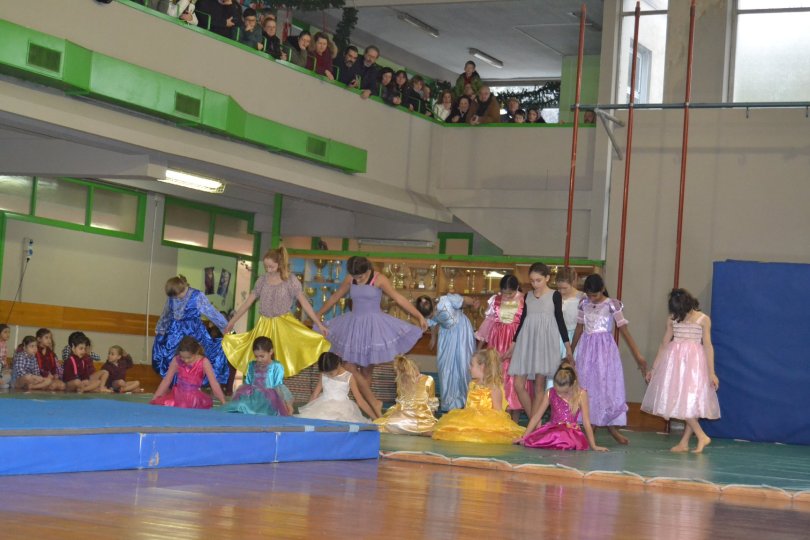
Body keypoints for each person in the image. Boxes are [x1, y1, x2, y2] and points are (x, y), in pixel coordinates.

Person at [317, 256, 427, 387]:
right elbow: (335, 297)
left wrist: (419, 315)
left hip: (373, 328)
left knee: (366, 371)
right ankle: (369, 402)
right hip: (353, 327)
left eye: (361, 277)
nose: (358, 280)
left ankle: (365, 405)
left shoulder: (379, 279)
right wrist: (318, 314)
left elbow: (399, 298)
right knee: (348, 366)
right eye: (355, 276)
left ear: (368, 269)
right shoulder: (350, 279)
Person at [222, 246, 330, 377]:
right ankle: (260, 390)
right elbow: (247, 303)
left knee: (279, 363)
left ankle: (275, 391)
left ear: (279, 265)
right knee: (258, 360)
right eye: (266, 267)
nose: (268, 270)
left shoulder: (290, 280)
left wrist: (318, 323)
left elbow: (305, 303)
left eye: (271, 267)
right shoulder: (262, 280)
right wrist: (232, 321)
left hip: (283, 326)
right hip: (264, 325)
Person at [571, 274, 647, 445]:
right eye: (590, 295)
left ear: (603, 289)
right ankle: (591, 425)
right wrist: (571, 352)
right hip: (587, 350)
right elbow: (578, 328)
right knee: (586, 386)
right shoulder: (584, 304)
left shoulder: (612, 305)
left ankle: (610, 427)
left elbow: (625, 331)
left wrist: (638, 355)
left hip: (605, 352)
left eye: (595, 295)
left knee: (606, 388)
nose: (593, 299)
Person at [642, 289, 720, 453]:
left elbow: (707, 346)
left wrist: (711, 372)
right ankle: (686, 442)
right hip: (675, 365)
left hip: (694, 365)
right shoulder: (672, 319)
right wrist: (654, 369)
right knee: (678, 399)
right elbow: (664, 344)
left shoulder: (703, 319)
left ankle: (700, 436)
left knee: (689, 401)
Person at [507, 262, 572, 416]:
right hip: (526, 343)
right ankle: (535, 425)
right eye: (532, 280)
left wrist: (568, 348)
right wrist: (513, 345)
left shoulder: (554, 295)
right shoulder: (528, 296)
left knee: (539, 387)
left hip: (545, 343)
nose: (535, 284)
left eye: (538, 280)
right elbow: (522, 321)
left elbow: (560, 321)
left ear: (547, 278)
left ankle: (533, 427)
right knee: (518, 384)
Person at [432, 350, 525, 443]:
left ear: (482, 367)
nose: (469, 368)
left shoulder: (493, 388)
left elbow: (499, 412)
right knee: (452, 430)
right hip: (470, 418)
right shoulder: (472, 385)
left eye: (472, 365)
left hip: (487, 423)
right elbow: (467, 406)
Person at [152, 275, 230, 385]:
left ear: (182, 288)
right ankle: (176, 386)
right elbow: (166, 314)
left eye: (179, 295)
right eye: (174, 297)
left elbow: (212, 313)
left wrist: (226, 327)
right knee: (172, 358)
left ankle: (193, 385)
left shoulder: (197, 296)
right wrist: (160, 329)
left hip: (194, 331)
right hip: (175, 333)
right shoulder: (172, 297)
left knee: (198, 356)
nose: (177, 298)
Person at [475, 275, 531, 422]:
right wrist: (481, 343)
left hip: (515, 341)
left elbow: (526, 323)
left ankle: (515, 418)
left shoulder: (524, 300)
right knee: (498, 374)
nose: (506, 296)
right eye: (504, 292)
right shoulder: (495, 300)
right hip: (497, 341)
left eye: (510, 293)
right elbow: (489, 322)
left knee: (513, 377)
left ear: (516, 289)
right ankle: (498, 414)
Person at [518, 363, 607, 451]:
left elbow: (586, 422)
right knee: (544, 438)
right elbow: (537, 416)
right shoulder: (550, 392)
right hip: (553, 430)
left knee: (564, 436)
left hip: (571, 433)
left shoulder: (581, 394)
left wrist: (594, 446)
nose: (559, 394)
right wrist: (524, 437)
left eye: (564, 392)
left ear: (573, 384)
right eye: (557, 391)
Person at [416, 294, 477, 412]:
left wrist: (473, 302)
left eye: (432, 313)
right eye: (429, 316)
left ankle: (467, 400)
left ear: (434, 305)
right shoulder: (428, 313)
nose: (432, 316)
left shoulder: (446, 300)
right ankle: (451, 402)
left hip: (461, 331)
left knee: (463, 366)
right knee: (446, 367)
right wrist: (433, 338)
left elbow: (464, 300)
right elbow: (433, 324)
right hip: (446, 335)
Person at [223, 336, 294, 415]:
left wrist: (287, 406)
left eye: (262, 356)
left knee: (263, 409)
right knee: (240, 405)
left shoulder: (276, 366)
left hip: (269, 399)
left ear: (271, 352)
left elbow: (279, 387)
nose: (259, 359)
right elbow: (248, 383)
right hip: (253, 397)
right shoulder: (252, 365)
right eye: (256, 356)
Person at [151, 336, 227, 409]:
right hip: (178, 396)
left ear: (196, 352)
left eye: (189, 357)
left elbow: (214, 383)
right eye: (182, 357)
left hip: (194, 398)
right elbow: (167, 380)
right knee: (165, 404)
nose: (185, 360)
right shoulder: (176, 360)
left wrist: (223, 402)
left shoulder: (204, 362)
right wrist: (155, 398)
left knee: (186, 405)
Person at [296, 352, 375, 422]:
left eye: (330, 373)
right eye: (325, 373)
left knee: (339, 421)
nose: (328, 375)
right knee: (318, 421)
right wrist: (308, 409)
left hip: (342, 408)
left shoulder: (348, 377)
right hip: (323, 405)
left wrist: (374, 417)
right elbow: (315, 394)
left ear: (338, 364)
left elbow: (360, 401)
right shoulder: (324, 374)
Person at [374, 355, 439, 436]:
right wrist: (431, 421)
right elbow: (432, 404)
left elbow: (400, 403)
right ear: (415, 366)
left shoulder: (400, 382)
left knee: (380, 425)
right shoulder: (428, 379)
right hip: (420, 420)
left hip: (399, 421)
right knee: (433, 430)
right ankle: (422, 431)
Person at [555, 267, 585, 362]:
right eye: (559, 288)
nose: (561, 291)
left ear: (572, 282)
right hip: (557, 336)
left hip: (576, 337)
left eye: (564, 288)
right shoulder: (555, 296)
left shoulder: (582, 297)